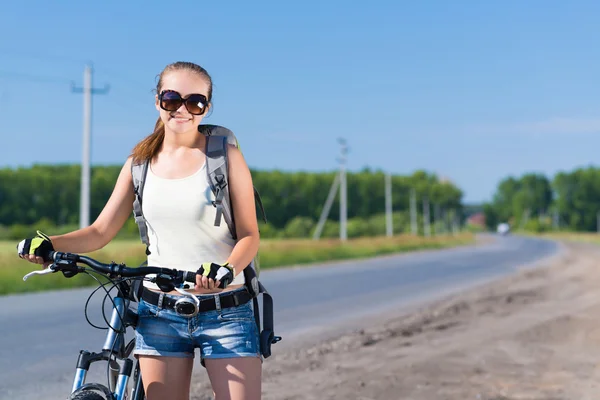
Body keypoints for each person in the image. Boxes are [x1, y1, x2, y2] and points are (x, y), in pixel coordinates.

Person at [17, 61, 263, 400]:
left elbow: (249, 235)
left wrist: (226, 269)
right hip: (158, 311)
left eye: (194, 102)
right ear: (158, 100)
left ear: (206, 108)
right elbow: (101, 231)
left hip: (226, 310)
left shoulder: (226, 158)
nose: (182, 110)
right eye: (172, 98)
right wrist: (49, 244)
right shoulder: (139, 163)